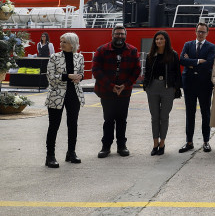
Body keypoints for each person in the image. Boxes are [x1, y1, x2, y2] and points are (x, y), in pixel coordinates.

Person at [93, 24, 141, 158]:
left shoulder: (132, 50)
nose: (120, 36)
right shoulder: (102, 50)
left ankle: (121, 146)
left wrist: (125, 85)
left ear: (125, 35)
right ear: (112, 35)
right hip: (107, 91)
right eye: (117, 34)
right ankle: (105, 147)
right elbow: (96, 70)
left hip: (124, 92)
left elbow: (136, 70)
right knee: (108, 119)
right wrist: (111, 86)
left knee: (122, 119)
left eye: (122, 34)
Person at [44, 32, 84, 168]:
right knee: (54, 125)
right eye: (61, 41)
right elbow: (50, 77)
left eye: (64, 42)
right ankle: (50, 156)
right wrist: (69, 76)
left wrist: (80, 77)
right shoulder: (54, 57)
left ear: (72, 44)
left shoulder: (79, 57)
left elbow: (82, 73)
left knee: (73, 124)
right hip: (56, 95)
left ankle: (71, 153)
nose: (61, 44)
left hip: (74, 94)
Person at [143, 31, 181, 156]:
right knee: (154, 117)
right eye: (157, 39)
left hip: (167, 88)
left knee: (164, 117)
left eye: (161, 39)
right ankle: (155, 143)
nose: (159, 41)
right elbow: (147, 72)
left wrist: (175, 88)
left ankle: (162, 143)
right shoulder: (151, 55)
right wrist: (146, 87)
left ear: (166, 41)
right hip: (153, 87)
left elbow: (177, 73)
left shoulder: (173, 55)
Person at [179, 22, 215, 153]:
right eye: (199, 31)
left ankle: (206, 141)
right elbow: (181, 60)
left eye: (203, 32)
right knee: (190, 113)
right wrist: (198, 61)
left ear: (207, 33)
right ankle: (189, 142)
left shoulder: (211, 47)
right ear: (195, 32)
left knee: (205, 113)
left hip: (204, 84)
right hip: (189, 84)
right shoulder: (187, 45)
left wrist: (191, 63)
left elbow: (209, 63)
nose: (200, 34)